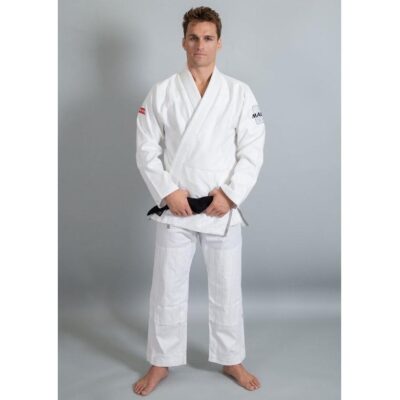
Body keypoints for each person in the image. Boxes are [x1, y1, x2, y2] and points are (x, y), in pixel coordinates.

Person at [133, 6, 265, 395]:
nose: (200, 45)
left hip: (221, 207)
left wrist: (231, 194)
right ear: (183, 42)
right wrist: (168, 192)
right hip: (177, 206)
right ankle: (160, 362)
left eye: (208, 38)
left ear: (219, 43)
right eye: (193, 37)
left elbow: (252, 150)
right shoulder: (162, 92)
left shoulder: (239, 93)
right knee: (167, 288)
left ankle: (231, 358)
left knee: (227, 287)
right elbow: (146, 150)